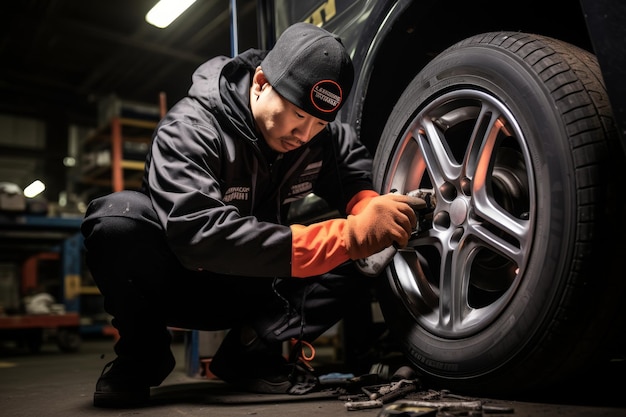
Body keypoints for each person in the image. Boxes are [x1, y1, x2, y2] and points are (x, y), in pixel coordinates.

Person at [81, 22, 423, 408]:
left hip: (256, 290)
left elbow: (350, 168)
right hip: (181, 282)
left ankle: (252, 352)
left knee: (369, 248)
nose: (304, 134)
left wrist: (367, 208)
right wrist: (346, 237)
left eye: (319, 123)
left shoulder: (314, 138)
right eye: (296, 115)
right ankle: (143, 355)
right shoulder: (190, 128)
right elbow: (200, 236)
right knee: (116, 220)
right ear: (260, 82)